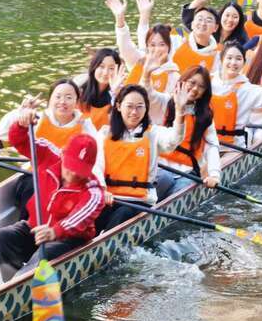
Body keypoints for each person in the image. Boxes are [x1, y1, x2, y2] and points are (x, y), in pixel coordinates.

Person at [0, 118, 104, 282]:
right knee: (1, 238)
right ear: (63, 154)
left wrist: (54, 231)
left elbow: (78, 219)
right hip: (35, 229)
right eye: (70, 167)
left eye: (80, 171)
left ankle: (21, 282)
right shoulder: (49, 154)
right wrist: (21, 125)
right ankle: (11, 283)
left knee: (44, 255)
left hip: (68, 240)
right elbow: (20, 141)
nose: (73, 174)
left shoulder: (94, 191)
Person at [0, 81, 101, 220]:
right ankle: (26, 225)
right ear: (50, 100)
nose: (62, 102)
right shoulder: (37, 119)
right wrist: (21, 113)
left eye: (68, 97)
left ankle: (54, 227)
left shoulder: (85, 126)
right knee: (32, 187)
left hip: (68, 181)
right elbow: (1, 133)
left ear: (76, 101)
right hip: (36, 174)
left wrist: (101, 187)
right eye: (58, 97)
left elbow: (96, 160)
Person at [94, 83, 187, 234]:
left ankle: (103, 243)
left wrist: (180, 111)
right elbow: (96, 166)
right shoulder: (104, 134)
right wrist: (102, 189)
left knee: (122, 214)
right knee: (91, 216)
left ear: (146, 109)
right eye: (129, 106)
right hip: (109, 197)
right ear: (118, 106)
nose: (134, 112)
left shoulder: (154, 134)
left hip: (139, 201)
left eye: (139, 107)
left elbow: (173, 140)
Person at [141, 63, 221, 199]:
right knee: (165, 179)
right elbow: (148, 95)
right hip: (159, 166)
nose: (195, 89)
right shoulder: (166, 102)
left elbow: (212, 146)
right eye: (192, 83)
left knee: (180, 192)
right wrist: (146, 75)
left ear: (204, 92)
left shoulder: (204, 115)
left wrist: (214, 174)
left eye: (201, 86)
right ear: (183, 81)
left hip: (187, 171)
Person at [106, 0, 180, 124]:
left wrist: (144, 16)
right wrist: (120, 19)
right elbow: (125, 47)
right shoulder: (139, 61)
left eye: (162, 44)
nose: (157, 49)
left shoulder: (173, 74)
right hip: (128, 122)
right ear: (147, 47)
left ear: (169, 47)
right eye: (152, 45)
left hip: (155, 127)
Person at [170, 0, 221, 73]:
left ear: (215, 28)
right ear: (192, 24)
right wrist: (197, 1)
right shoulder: (177, 41)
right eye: (200, 19)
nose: (203, 23)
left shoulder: (218, 55)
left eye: (208, 20)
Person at [78, 48, 122, 130]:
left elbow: (120, 123)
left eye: (111, 68)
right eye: (101, 66)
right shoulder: (79, 92)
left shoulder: (120, 93)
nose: (105, 73)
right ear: (94, 67)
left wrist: (115, 94)